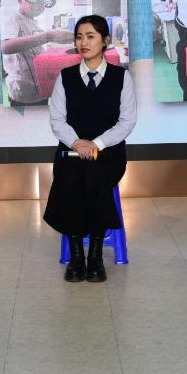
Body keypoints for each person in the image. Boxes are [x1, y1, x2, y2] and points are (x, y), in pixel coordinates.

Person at [44, 15, 136, 282]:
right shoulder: (65, 77)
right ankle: (76, 254)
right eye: (79, 37)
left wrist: (95, 144)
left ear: (105, 40)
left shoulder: (122, 77)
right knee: (70, 177)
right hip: (71, 150)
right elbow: (57, 120)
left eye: (90, 36)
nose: (83, 42)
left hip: (108, 152)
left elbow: (127, 122)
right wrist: (77, 143)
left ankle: (94, 254)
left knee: (95, 175)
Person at [1, 0, 73, 106]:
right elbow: (5, 46)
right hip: (23, 94)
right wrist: (48, 36)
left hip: (39, 90)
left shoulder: (34, 23)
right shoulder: (14, 20)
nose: (40, 4)